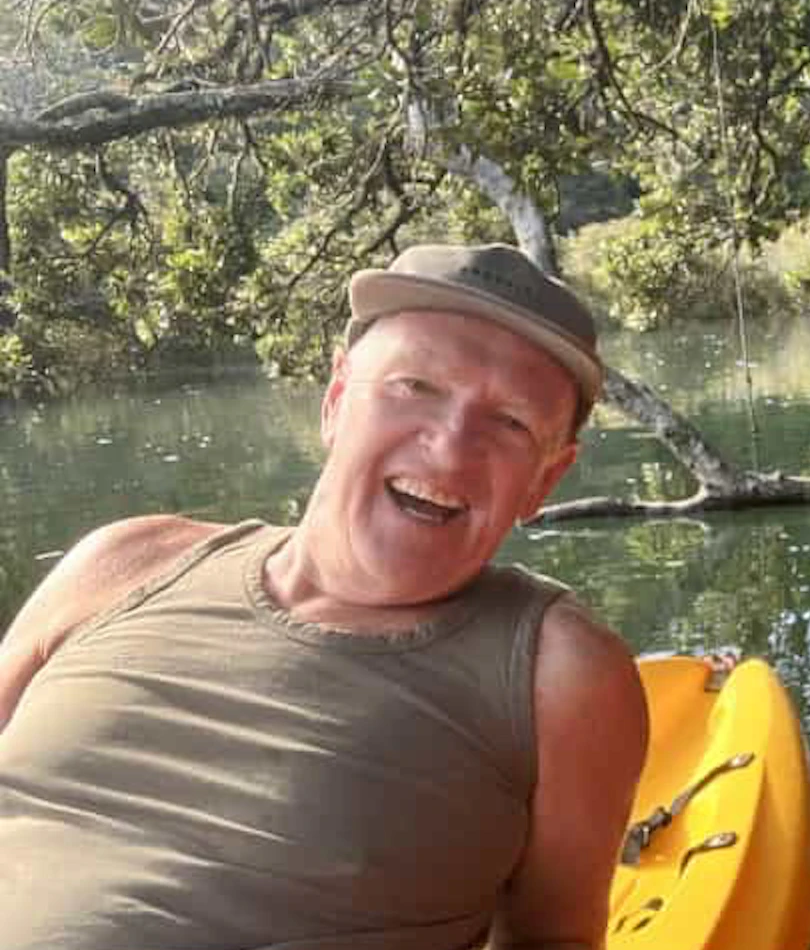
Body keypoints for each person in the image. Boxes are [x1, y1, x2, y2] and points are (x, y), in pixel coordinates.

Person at [0, 243, 650, 949]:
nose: (450, 446)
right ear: (336, 399)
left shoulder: (557, 675)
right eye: (415, 386)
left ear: (544, 482)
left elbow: (554, 938)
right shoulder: (123, 561)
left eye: (511, 423)